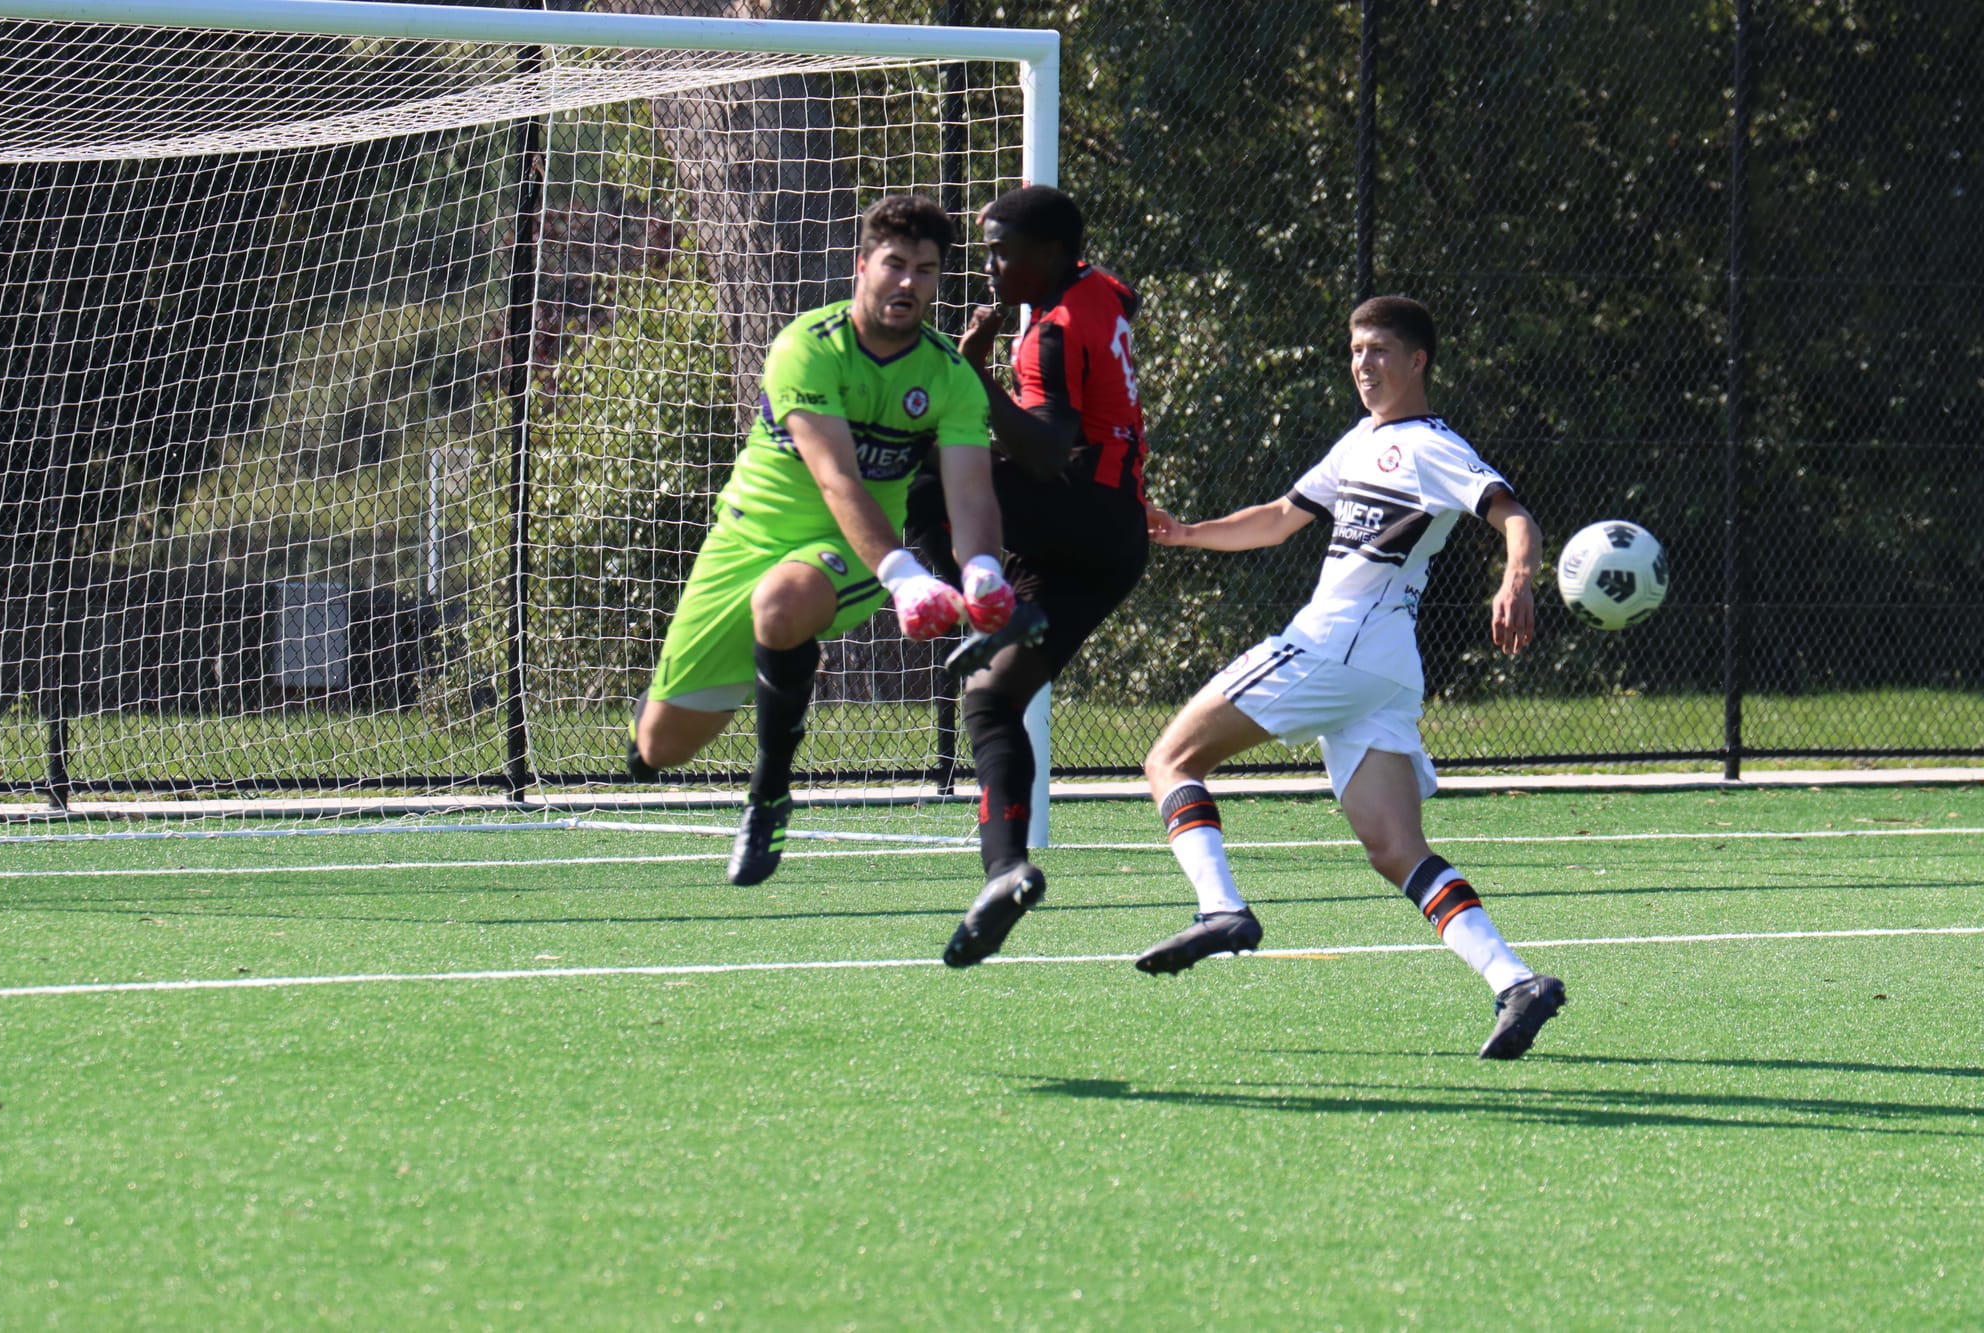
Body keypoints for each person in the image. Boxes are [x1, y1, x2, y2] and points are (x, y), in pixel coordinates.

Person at [1137, 295, 1566, 1060]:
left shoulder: (1431, 445)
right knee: (1395, 846)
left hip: (1334, 645)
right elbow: (1277, 516)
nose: (1362, 364)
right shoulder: (1358, 443)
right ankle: (1516, 981)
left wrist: (1518, 578)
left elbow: (1513, 514)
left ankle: (1220, 908)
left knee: (1170, 759)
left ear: (1417, 362)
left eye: (1377, 351)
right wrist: (1185, 533)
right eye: (1355, 351)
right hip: (1384, 664)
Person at [627, 194, 1012, 886]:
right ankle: (774, 666)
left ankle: (770, 790)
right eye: (894, 265)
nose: (907, 283)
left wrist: (981, 568)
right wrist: (908, 578)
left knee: (782, 602)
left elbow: (971, 492)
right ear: (861, 266)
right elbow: (836, 477)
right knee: (658, 749)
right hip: (745, 541)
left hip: (849, 552)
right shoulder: (807, 347)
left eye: (925, 271)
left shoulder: (950, 379)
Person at [905, 184, 1153, 968]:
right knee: (989, 701)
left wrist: (967, 374)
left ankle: (985, 604)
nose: (989, 265)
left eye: (1001, 250)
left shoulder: (1053, 330)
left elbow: (1044, 454)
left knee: (926, 473)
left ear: (1048, 255)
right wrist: (984, 362)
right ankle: (1005, 871)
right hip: (1106, 547)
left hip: (1083, 513)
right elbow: (1122, 298)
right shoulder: (1091, 292)